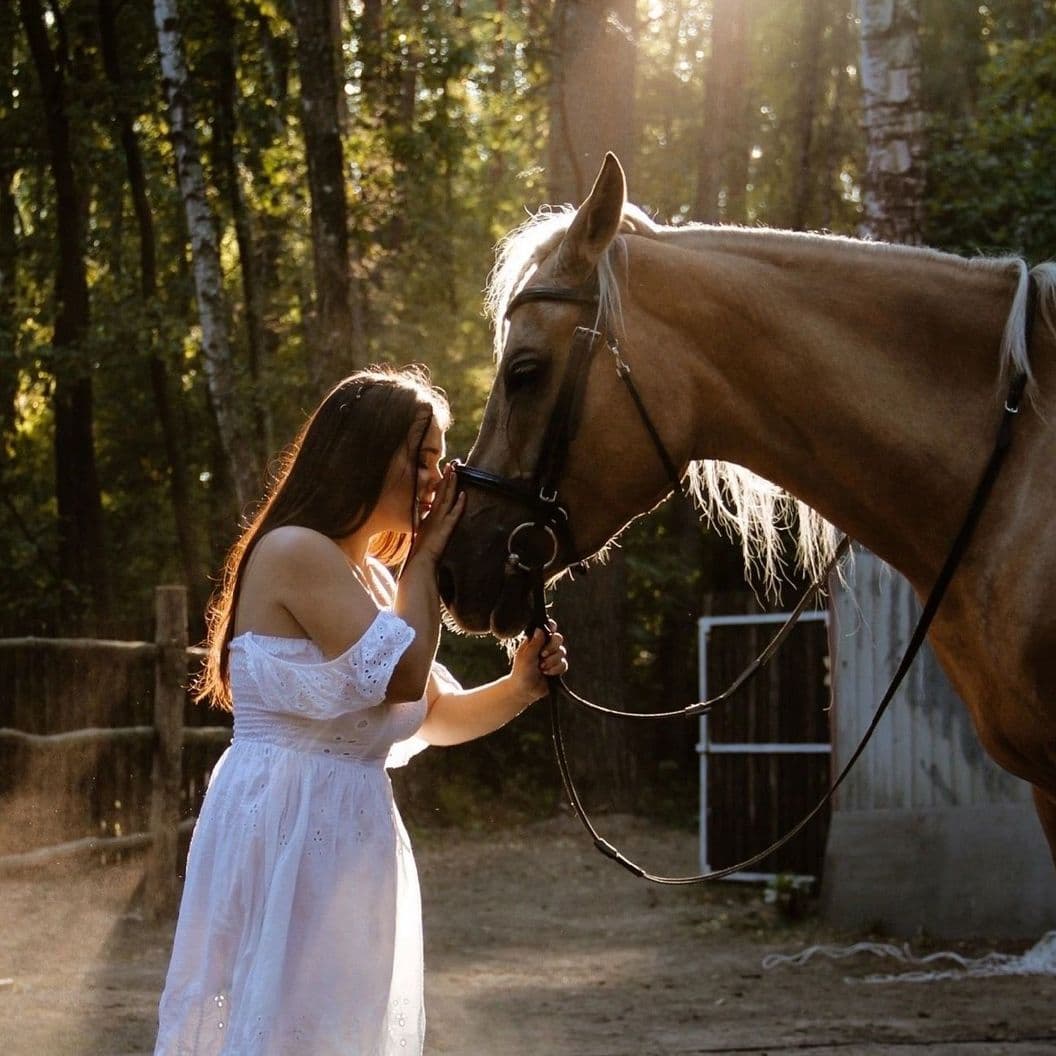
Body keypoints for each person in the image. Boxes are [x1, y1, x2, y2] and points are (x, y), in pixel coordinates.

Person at [154, 365, 567, 1056]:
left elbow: (435, 714)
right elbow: (404, 676)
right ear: (367, 454)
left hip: (349, 837)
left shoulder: (374, 579)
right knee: (274, 1023)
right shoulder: (295, 552)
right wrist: (428, 562)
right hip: (285, 824)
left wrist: (521, 685)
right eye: (424, 458)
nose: (440, 479)